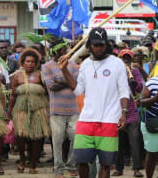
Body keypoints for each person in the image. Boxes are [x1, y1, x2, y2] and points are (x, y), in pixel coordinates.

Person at [59, 27, 130, 178]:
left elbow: (124, 91)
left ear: (107, 45)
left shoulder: (117, 64)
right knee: (81, 161)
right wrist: (64, 71)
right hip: (86, 120)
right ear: (89, 45)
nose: (99, 48)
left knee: (105, 164)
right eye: (96, 45)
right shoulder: (85, 65)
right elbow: (78, 90)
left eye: (102, 45)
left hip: (109, 121)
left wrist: (123, 113)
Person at [7, 48, 51, 174]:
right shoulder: (17, 76)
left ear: (36, 63)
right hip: (20, 110)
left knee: (37, 137)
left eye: (32, 62)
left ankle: (33, 163)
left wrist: (48, 110)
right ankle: (22, 159)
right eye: (27, 61)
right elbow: (13, 95)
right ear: (23, 62)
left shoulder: (41, 75)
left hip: (38, 110)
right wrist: (9, 112)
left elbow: (47, 94)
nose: (30, 64)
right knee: (20, 136)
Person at [42, 40, 79, 178]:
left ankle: (71, 165)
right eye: (63, 50)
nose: (66, 51)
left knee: (76, 137)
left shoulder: (73, 65)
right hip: (56, 110)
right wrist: (68, 81)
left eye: (66, 49)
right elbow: (51, 86)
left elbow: (76, 84)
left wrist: (60, 80)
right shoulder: (47, 66)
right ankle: (58, 169)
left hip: (73, 109)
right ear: (55, 52)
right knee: (57, 141)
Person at [111, 49, 144, 177]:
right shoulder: (115, 71)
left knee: (134, 141)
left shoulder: (134, 71)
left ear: (130, 60)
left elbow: (140, 88)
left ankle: (136, 169)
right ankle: (119, 169)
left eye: (128, 58)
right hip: (117, 111)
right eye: (123, 58)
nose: (126, 60)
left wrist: (134, 84)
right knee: (118, 142)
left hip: (131, 111)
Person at [140, 76, 158, 178]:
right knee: (152, 154)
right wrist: (155, 98)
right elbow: (142, 102)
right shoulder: (152, 82)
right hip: (153, 124)